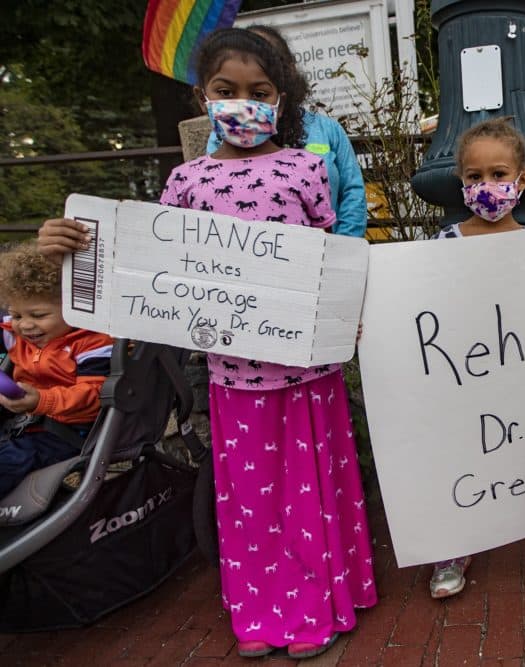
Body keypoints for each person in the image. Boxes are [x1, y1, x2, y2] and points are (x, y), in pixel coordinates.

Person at [37, 28, 375, 660]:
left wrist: (345, 311)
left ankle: (314, 607)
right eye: (226, 90)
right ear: (203, 97)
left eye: (259, 91)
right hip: (231, 377)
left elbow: (331, 257)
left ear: (281, 99)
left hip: (305, 372)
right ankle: (259, 611)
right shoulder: (185, 184)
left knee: (308, 492)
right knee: (250, 502)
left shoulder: (306, 168)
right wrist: (71, 246)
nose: (242, 102)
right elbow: (141, 265)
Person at [431, 118, 525, 605]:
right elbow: (422, 310)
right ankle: (459, 540)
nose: (486, 186)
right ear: (461, 182)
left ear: (522, 180)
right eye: (474, 177)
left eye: (499, 173)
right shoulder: (444, 244)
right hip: (466, 379)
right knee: (464, 454)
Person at [206, 23, 368, 239]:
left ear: (288, 71)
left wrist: (343, 246)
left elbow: (352, 191)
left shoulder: (327, 130)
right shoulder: (221, 138)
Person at [0, 242, 113, 499]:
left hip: (67, 432)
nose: (26, 325)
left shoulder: (91, 344)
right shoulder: (15, 333)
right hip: (19, 421)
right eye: (17, 315)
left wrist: (42, 400)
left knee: (10, 461)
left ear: (74, 307)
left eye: (38, 315)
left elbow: (93, 397)